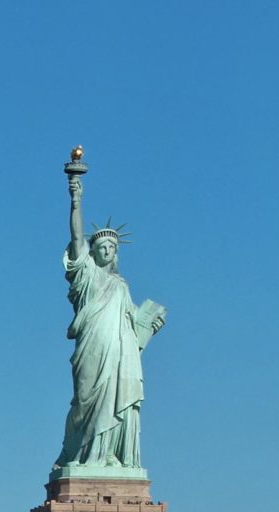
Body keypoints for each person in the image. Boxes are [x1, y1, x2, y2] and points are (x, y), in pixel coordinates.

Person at [53, 168, 166, 472]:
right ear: (93, 252)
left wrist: (148, 328)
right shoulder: (86, 275)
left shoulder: (122, 287)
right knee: (85, 399)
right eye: (100, 246)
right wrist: (76, 199)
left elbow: (132, 330)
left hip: (120, 353)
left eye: (110, 248)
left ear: (115, 254)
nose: (105, 250)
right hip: (93, 347)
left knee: (119, 400)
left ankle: (110, 456)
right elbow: (76, 237)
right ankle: (87, 454)